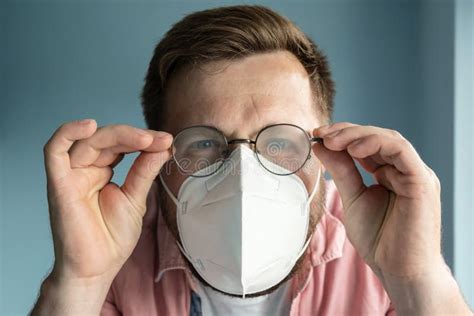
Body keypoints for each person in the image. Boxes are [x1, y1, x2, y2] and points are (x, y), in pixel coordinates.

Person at [31, 5, 471, 316]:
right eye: (204, 144)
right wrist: (78, 282)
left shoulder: (380, 257)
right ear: (161, 161)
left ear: (326, 151)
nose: (244, 175)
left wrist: (419, 281)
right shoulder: (116, 258)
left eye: (280, 142)